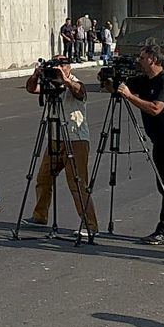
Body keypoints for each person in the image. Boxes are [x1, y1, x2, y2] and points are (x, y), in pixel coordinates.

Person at [112, 45, 164, 245]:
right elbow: (118, 87)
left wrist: (130, 96)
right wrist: (111, 79)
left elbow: (155, 108)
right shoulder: (144, 80)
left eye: (142, 58)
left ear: (154, 60)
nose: (139, 61)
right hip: (160, 141)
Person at [22, 61, 98, 235]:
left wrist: (65, 80)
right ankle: (40, 216)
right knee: (43, 178)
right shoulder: (50, 84)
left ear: (68, 68)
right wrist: (36, 75)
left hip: (76, 139)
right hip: (55, 138)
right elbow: (31, 89)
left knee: (77, 183)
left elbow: (80, 92)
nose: (57, 69)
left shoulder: (75, 83)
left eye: (61, 65)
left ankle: (90, 225)